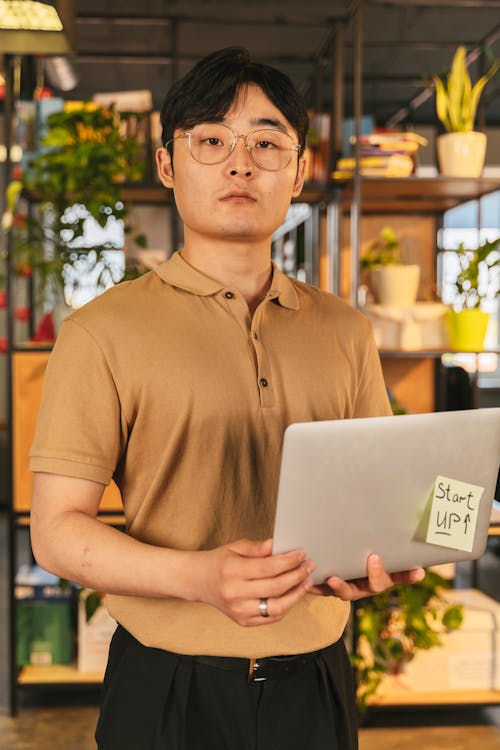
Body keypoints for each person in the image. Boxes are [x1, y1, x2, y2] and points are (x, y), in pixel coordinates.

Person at [29, 47, 424, 750]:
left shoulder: (346, 330)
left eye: (268, 143)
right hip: (166, 687)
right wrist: (197, 576)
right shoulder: (100, 333)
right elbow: (56, 530)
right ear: (167, 165)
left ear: (299, 172)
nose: (241, 163)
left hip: (318, 680)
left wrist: (375, 559)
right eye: (211, 140)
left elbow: (369, 496)